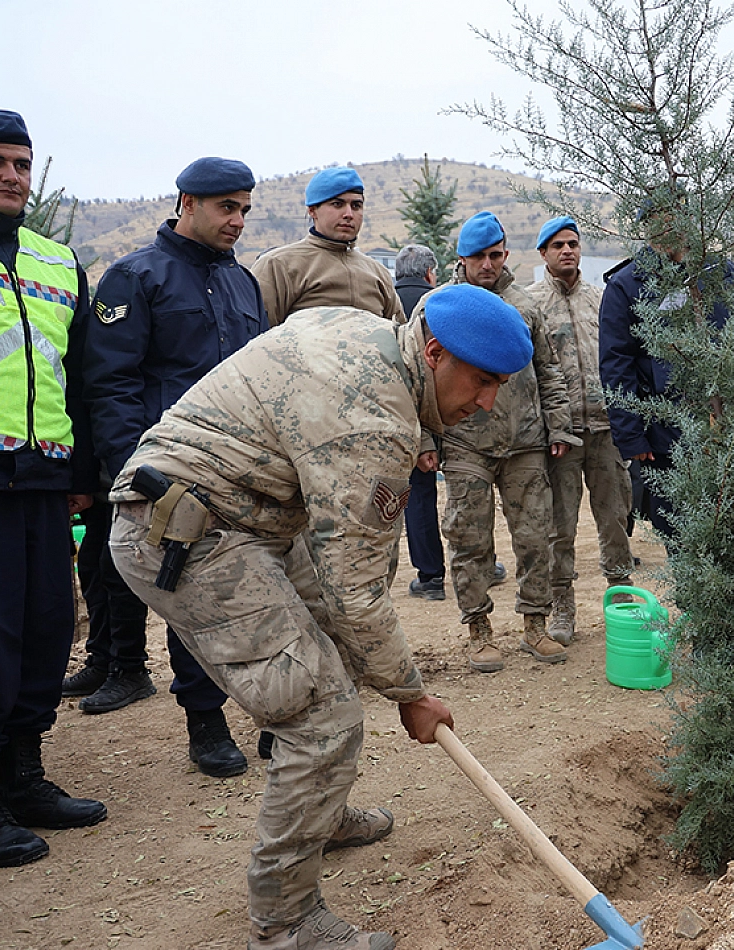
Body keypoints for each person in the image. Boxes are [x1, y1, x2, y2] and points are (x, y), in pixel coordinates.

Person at [106, 288, 518, 950]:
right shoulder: (377, 420)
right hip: (187, 535)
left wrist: (376, 662)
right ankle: (287, 923)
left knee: (335, 653)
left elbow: (346, 593)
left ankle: (317, 813)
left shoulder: (370, 333)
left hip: (245, 517)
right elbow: (357, 589)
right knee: (321, 716)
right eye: (483, 381)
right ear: (434, 352)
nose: (488, 403)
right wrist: (411, 695)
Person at [75, 157, 268, 778]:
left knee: (259, 593)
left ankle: (274, 717)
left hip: (242, 470)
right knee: (188, 597)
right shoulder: (136, 278)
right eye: (225, 207)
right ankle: (205, 724)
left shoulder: (244, 285)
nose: (237, 220)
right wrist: (133, 472)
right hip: (168, 473)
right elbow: (110, 383)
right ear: (187, 202)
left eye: (244, 208)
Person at [0, 108, 107, 869]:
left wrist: (81, 475)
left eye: (21, 162)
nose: (10, 175)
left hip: (44, 477)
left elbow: (77, 375)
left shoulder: (55, 261)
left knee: (47, 626)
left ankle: (23, 774)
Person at [419, 212, 576, 670]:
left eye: (495, 255)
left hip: (525, 440)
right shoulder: (439, 306)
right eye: (477, 256)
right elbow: (422, 378)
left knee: (534, 537)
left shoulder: (525, 306)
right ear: (461, 258)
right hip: (464, 443)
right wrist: (426, 438)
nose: (487, 264)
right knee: (469, 538)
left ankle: (535, 625)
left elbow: (548, 369)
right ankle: (479, 630)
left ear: (505, 254)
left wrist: (559, 424)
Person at [599, 199, 734, 544]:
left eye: (675, 215)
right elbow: (616, 364)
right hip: (665, 434)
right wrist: (631, 436)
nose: (668, 224)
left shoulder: (720, 273)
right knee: (680, 533)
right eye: (657, 218)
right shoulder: (626, 286)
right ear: (645, 226)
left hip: (728, 429)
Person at [525, 216, 634, 643]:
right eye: (557, 246)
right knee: (560, 527)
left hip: (607, 428)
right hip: (561, 436)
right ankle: (563, 609)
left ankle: (622, 599)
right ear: (543, 254)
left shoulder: (603, 299)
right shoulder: (532, 304)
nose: (567, 251)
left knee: (615, 520)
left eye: (572, 244)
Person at [250, 166, 403, 326]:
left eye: (356, 206)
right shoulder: (278, 265)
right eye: (337, 204)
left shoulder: (378, 273)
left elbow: (400, 338)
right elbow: (257, 338)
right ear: (312, 210)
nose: (348, 214)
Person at [392, 245, 447, 601]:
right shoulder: (437, 304)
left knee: (417, 496)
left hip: (397, 415)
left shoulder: (384, 303)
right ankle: (483, 567)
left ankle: (430, 577)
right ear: (429, 273)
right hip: (443, 413)